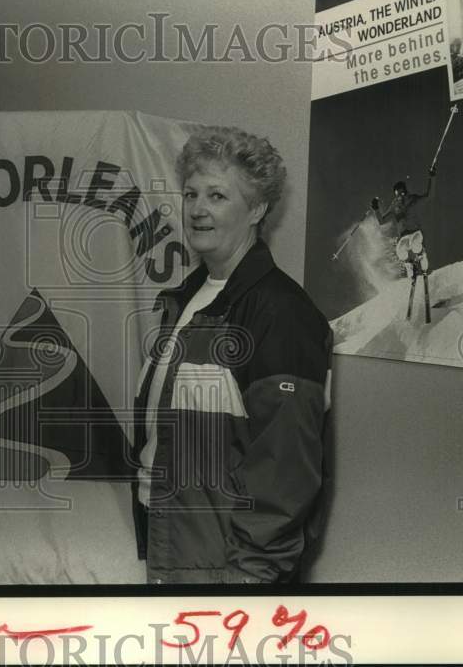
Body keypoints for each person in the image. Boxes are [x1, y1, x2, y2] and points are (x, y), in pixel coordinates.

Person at [132, 125, 333, 584]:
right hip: (174, 544)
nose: (198, 209)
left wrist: (246, 585)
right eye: (191, 194)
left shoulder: (283, 315)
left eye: (218, 196)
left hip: (228, 572)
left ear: (257, 208)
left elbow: (285, 479)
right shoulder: (187, 300)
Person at [371, 166, 436, 277]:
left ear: (405, 192)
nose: (400, 197)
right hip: (403, 236)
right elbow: (382, 221)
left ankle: (421, 256)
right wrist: (376, 208)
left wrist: (432, 177)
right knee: (400, 250)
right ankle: (409, 265)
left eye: (402, 193)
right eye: (397, 195)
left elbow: (429, 196)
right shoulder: (394, 206)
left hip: (415, 232)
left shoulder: (413, 199)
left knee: (415, 244)